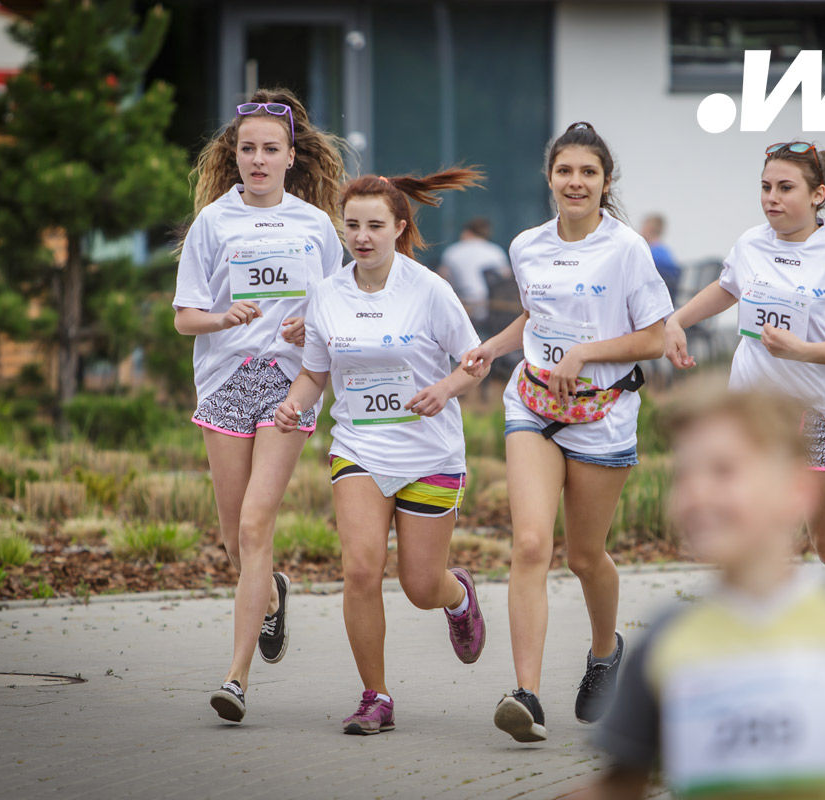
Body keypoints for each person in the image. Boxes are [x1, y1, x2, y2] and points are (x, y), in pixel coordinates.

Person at [578, 390, 825, 799]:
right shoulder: (665, 639)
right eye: (684, 475)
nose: (697, 493)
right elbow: (620, 787)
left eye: (723, 471)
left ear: (796, 492)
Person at [462, 122, 674, 742]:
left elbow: (655, 338)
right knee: (530, 545)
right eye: (565, 171)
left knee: (584, 556)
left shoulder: (627, 248)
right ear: (549, 179)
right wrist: (490, 349)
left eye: (588, 172)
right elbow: (538, 313)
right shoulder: (526, 245)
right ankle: (525, 694)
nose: (575, 182)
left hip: (603, 412)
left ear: (606, 183)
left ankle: (605, 651)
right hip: (532, 403)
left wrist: (584, 354)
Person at [274, 168, 487, 736]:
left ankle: (456, 594)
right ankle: (376, 697)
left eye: (374, 225)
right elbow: (314, 375)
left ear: (399, 227)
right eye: (352, 226)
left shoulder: (429, 290)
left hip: (429, 453)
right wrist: (293, 405)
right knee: (361, 569)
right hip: (360, 448)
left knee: (421, 587)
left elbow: (475, 361)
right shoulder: (326, 294)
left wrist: (444, 389)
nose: (362, 236)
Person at [172, 88, 347, 723]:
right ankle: (269, 594)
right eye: (247, 149)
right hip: (224, 383)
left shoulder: (316, 225)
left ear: (291, 156)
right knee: (233, 538)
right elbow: (185, 318)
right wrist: (222, 316)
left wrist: (311, 330)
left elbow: (337, 304)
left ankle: (236, 678)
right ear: (235, 154)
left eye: (270, 149)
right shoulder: (213, 224)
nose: (258, 159)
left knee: (254, 525)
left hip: (288, 383)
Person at [665, 141, 825, 579]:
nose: (772, 197)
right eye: (766, 187)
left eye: (785, 187)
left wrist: (800, 349)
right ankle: (754, 631)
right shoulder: (751, 243)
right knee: (747, 532)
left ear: (817, 195)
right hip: (756, 414)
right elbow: (727, 288)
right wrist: (677, 320)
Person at [438, 216, 510, 325]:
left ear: (467, 233)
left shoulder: (452, 251)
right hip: (491, 309)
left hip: (462, 308)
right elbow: (507, 278)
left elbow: (441, 279)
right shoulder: (495, 251)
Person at [640, 214, 680, 302]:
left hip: (655, 298)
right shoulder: (665, 251)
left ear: (650, 229)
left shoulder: (651, 254)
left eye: (643, 227)